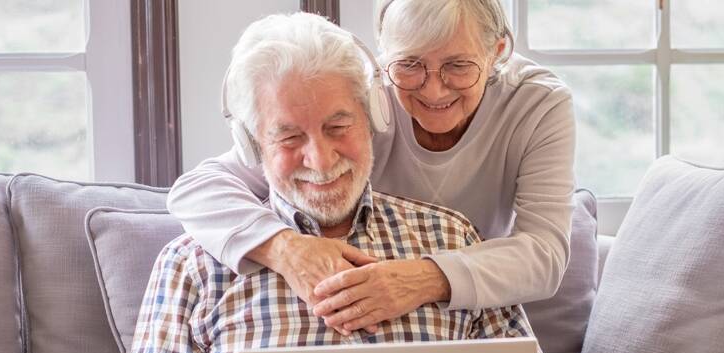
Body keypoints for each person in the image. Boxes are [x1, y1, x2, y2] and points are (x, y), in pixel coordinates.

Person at [123, 12, 558, 353]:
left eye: (338, 126)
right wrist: (285, 249)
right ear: (253, 145)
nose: (321, 160)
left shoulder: (453, 238)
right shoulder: (191, 267)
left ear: (373, 118)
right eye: (289, 138)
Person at [167, 0, 581, 334]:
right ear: (384, 58)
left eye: (458, 65)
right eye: (409, 65)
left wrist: (420, 279)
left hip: (472, 301)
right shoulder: (364, 101)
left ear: (498, 52)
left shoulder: (539, 104)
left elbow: (543, 254)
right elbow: (196, 189)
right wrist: (289, 250)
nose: (433, 89)